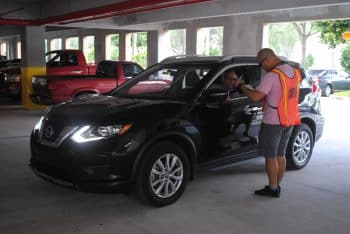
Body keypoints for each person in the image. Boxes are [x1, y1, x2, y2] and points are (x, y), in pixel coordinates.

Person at [233, 48, 301, 198]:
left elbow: (256, 97)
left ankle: (272, 189)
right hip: (289, 119)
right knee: (280, 154)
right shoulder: (294, 72)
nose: (261, 67)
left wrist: (241, 86)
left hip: (273, 121)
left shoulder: (272, 76)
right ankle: (276, 186)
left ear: (268, 59)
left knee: (270, 156)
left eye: (260, 64)